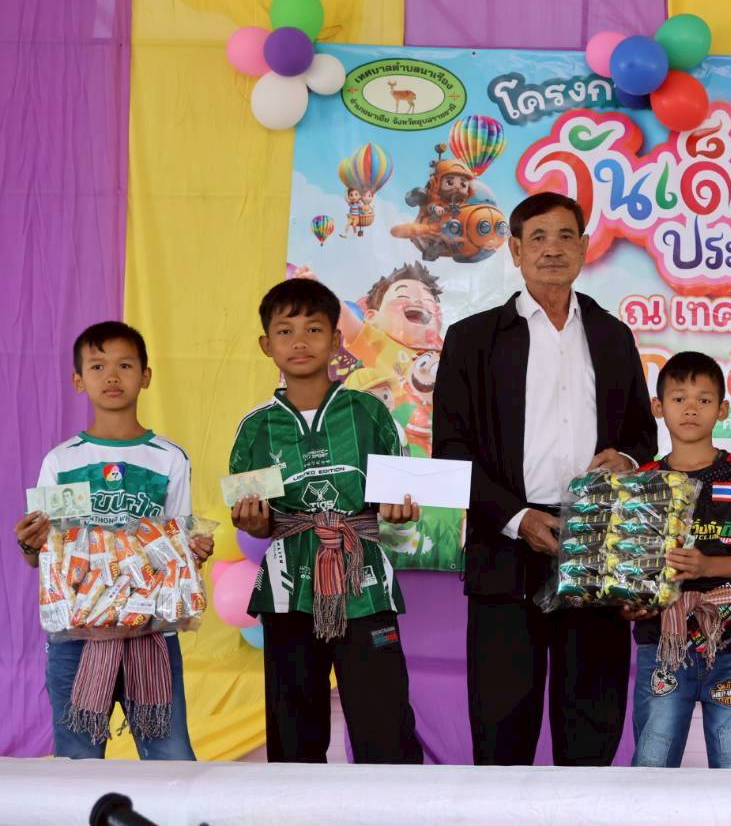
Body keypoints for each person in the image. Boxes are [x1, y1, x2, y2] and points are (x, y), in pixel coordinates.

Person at [433, 191, 657, 766]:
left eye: (564, 237)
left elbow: (642, 435)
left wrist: (626, 460)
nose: (551, 249)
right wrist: (517, 518)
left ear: (584, 248)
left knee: (592, 723)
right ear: (514, 250)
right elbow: (451, 450)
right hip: (505, 546)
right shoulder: (472, 339)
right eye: (537, 238)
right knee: (501, 726)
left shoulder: (612, 335)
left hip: (596, 547)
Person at [228, 278, 423, 764]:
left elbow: (399, 522)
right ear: (266, 344)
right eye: (285, 331)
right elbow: (257, 523)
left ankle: (397, 805)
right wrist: (254, 524)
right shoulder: (255, 429)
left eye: (313, 329)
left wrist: (400, 515)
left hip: (366, 586)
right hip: (288, 591)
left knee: (385, 731)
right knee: (294, 735)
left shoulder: (370, 413)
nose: (300, 341)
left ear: (336, 340)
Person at [13, 321, 213, 759]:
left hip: (151, 633)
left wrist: (193, 552)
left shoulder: (169, 458)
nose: (111, 376)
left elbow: (177, 546)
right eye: (98, 366)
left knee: (170, 759)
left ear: (145, 375)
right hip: (76, 637)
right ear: (78, 380)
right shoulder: (61, 461)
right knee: (78, 761)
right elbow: (46, 560)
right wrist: (30, 543)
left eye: (125, 365)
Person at [624, 352, 731, 769]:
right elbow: (632, 568)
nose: (691, 408)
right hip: (662, 641)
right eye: (679, 399)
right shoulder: (643, 481)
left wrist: (708, 567)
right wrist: (630, 603)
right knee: (653, 763)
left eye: (704, 400)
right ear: (658, 407)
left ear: (722, 409)